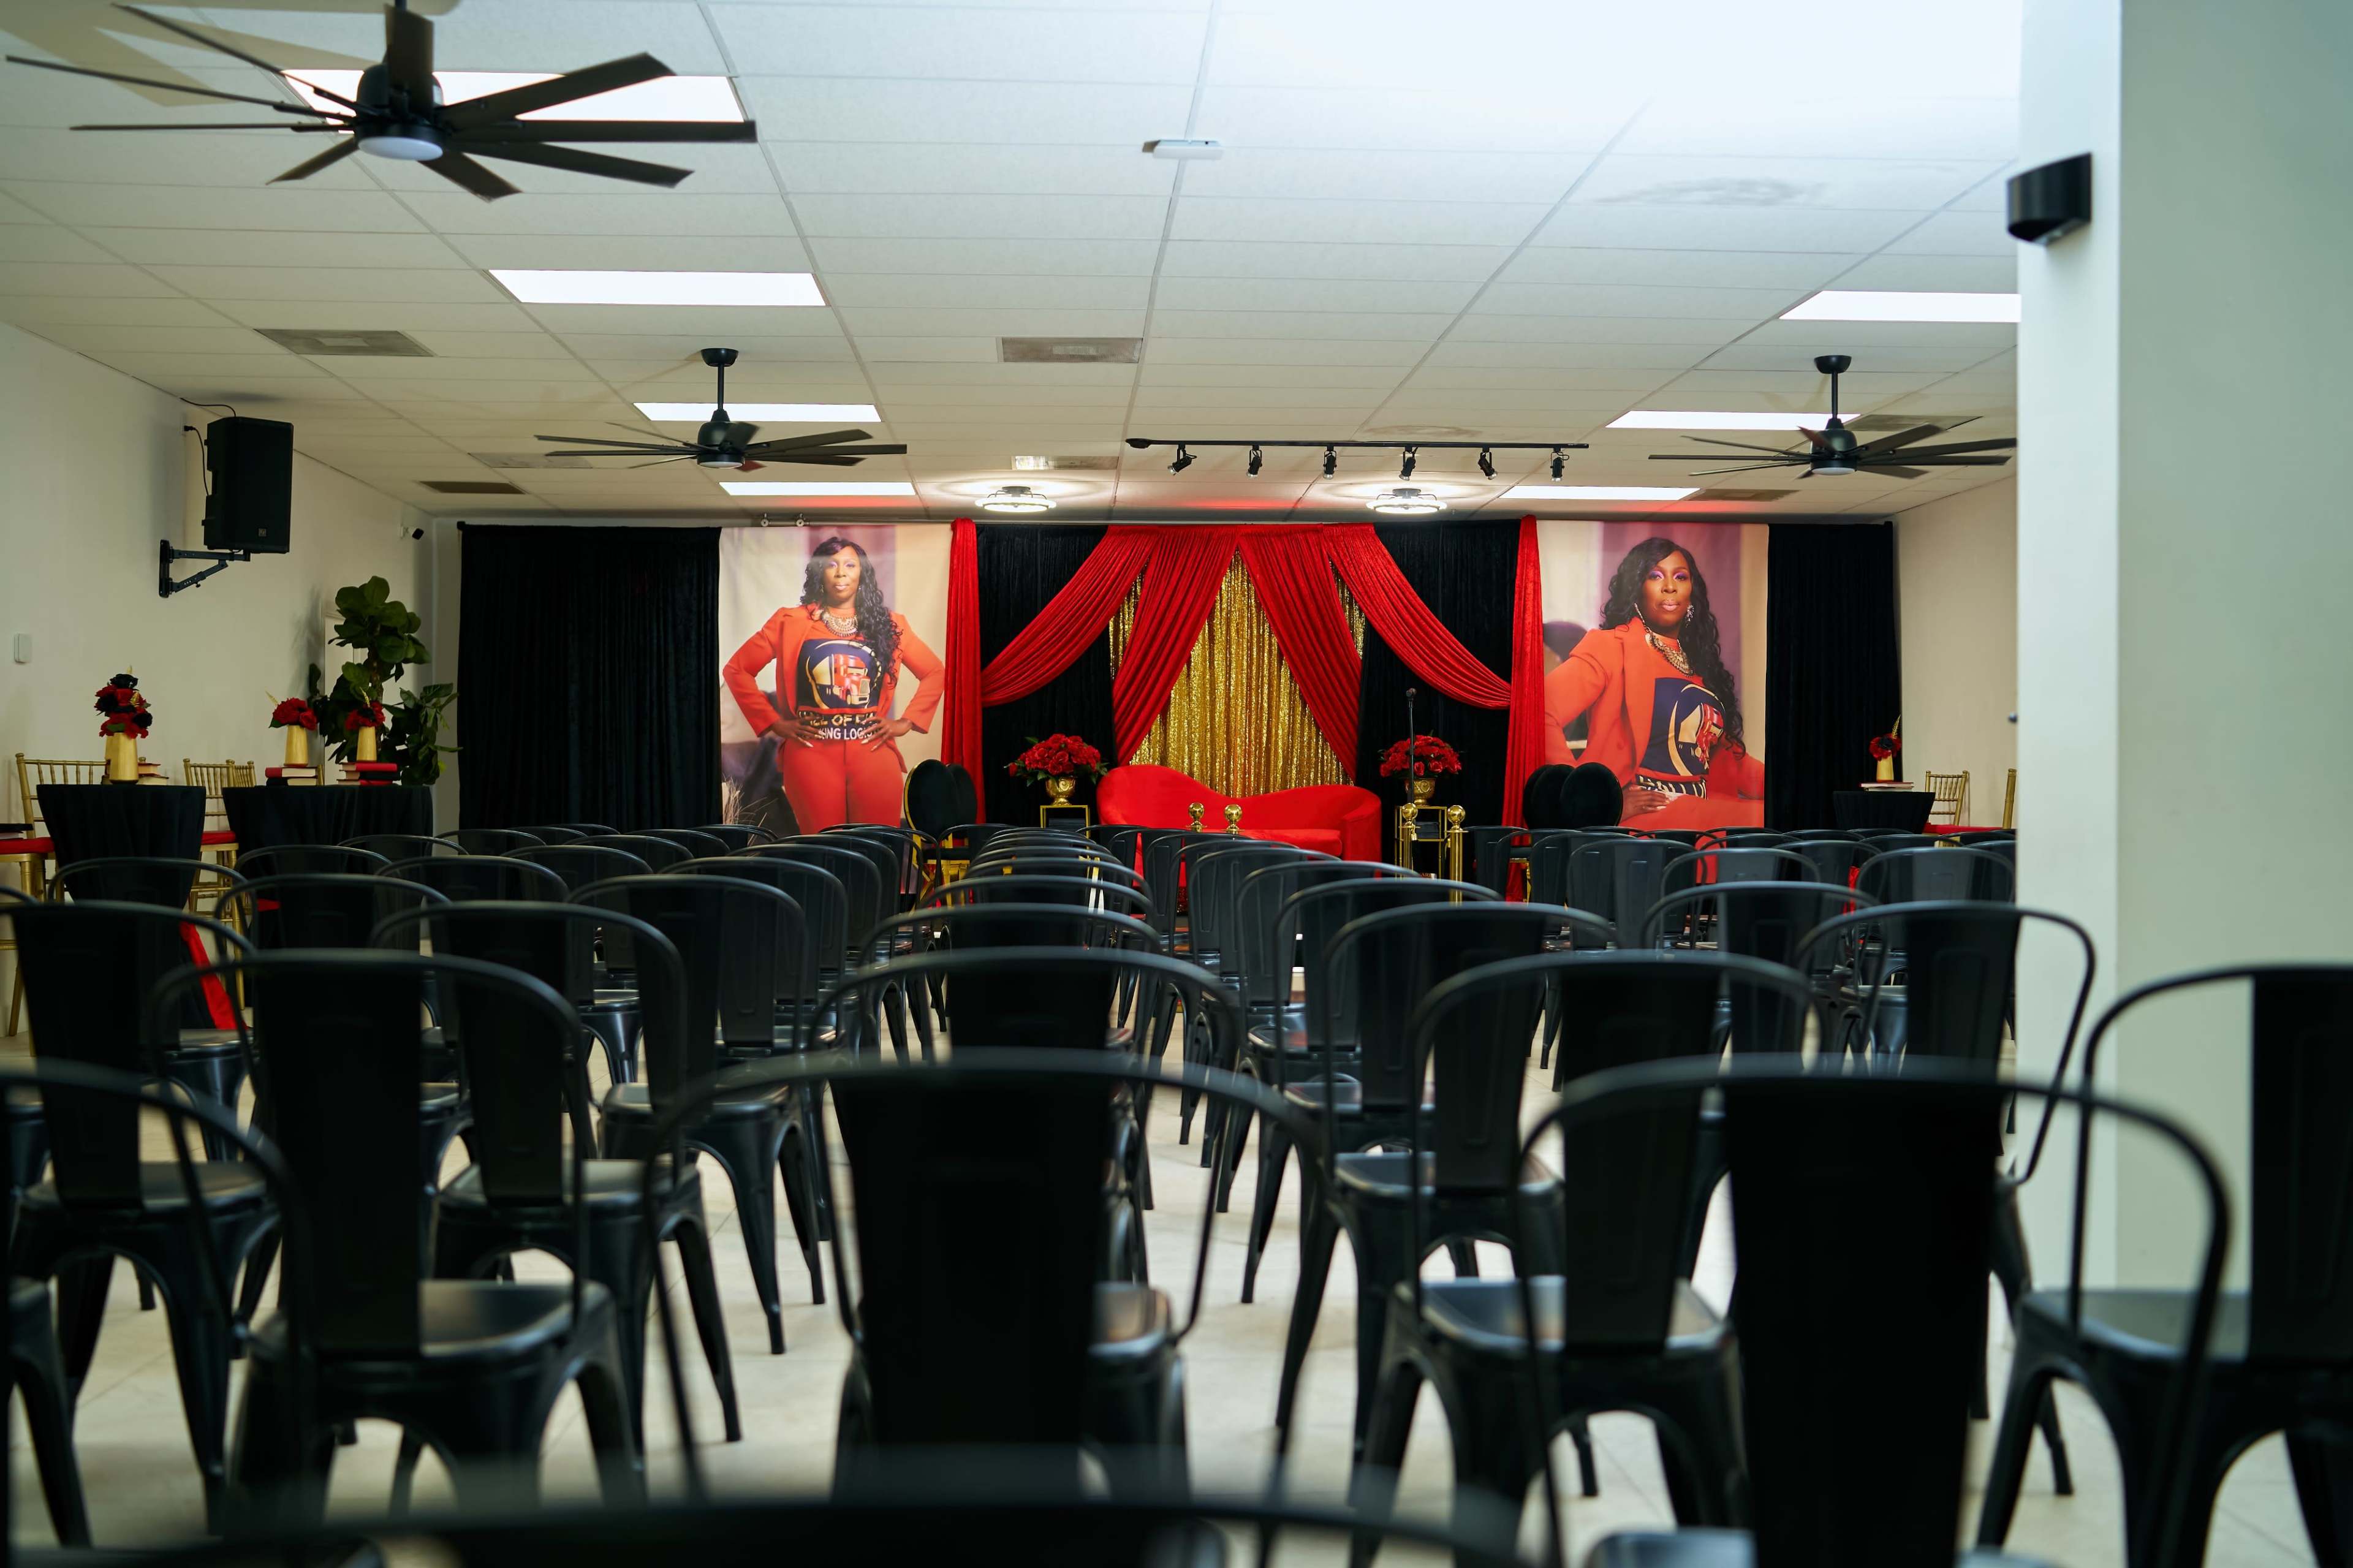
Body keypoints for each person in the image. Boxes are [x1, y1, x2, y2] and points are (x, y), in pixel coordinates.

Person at [723, 536, 945, 832]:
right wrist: (774, 723)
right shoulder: (789, 622)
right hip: (811, 752)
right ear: (819, 573)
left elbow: (933, 671)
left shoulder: (892, 624)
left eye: (850, 565)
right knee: (823, 848)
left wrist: (906, 722)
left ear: (862, 573)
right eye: (832, 565)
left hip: (872, 750)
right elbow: (737, 669)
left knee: (879, 846)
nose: (841, 573)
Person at [1542, 537, 1763, 820]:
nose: (1670, 586)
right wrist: (1596, 800)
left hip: (1701, 806)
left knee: (1778, 817)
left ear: (1691, 592)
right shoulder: (1612, 647)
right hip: (1648, 815)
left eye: (1681, 577)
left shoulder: (1700, 664)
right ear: (1637, 589)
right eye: (1655, 576)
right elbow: (1541, 710)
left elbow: (1732, 761)